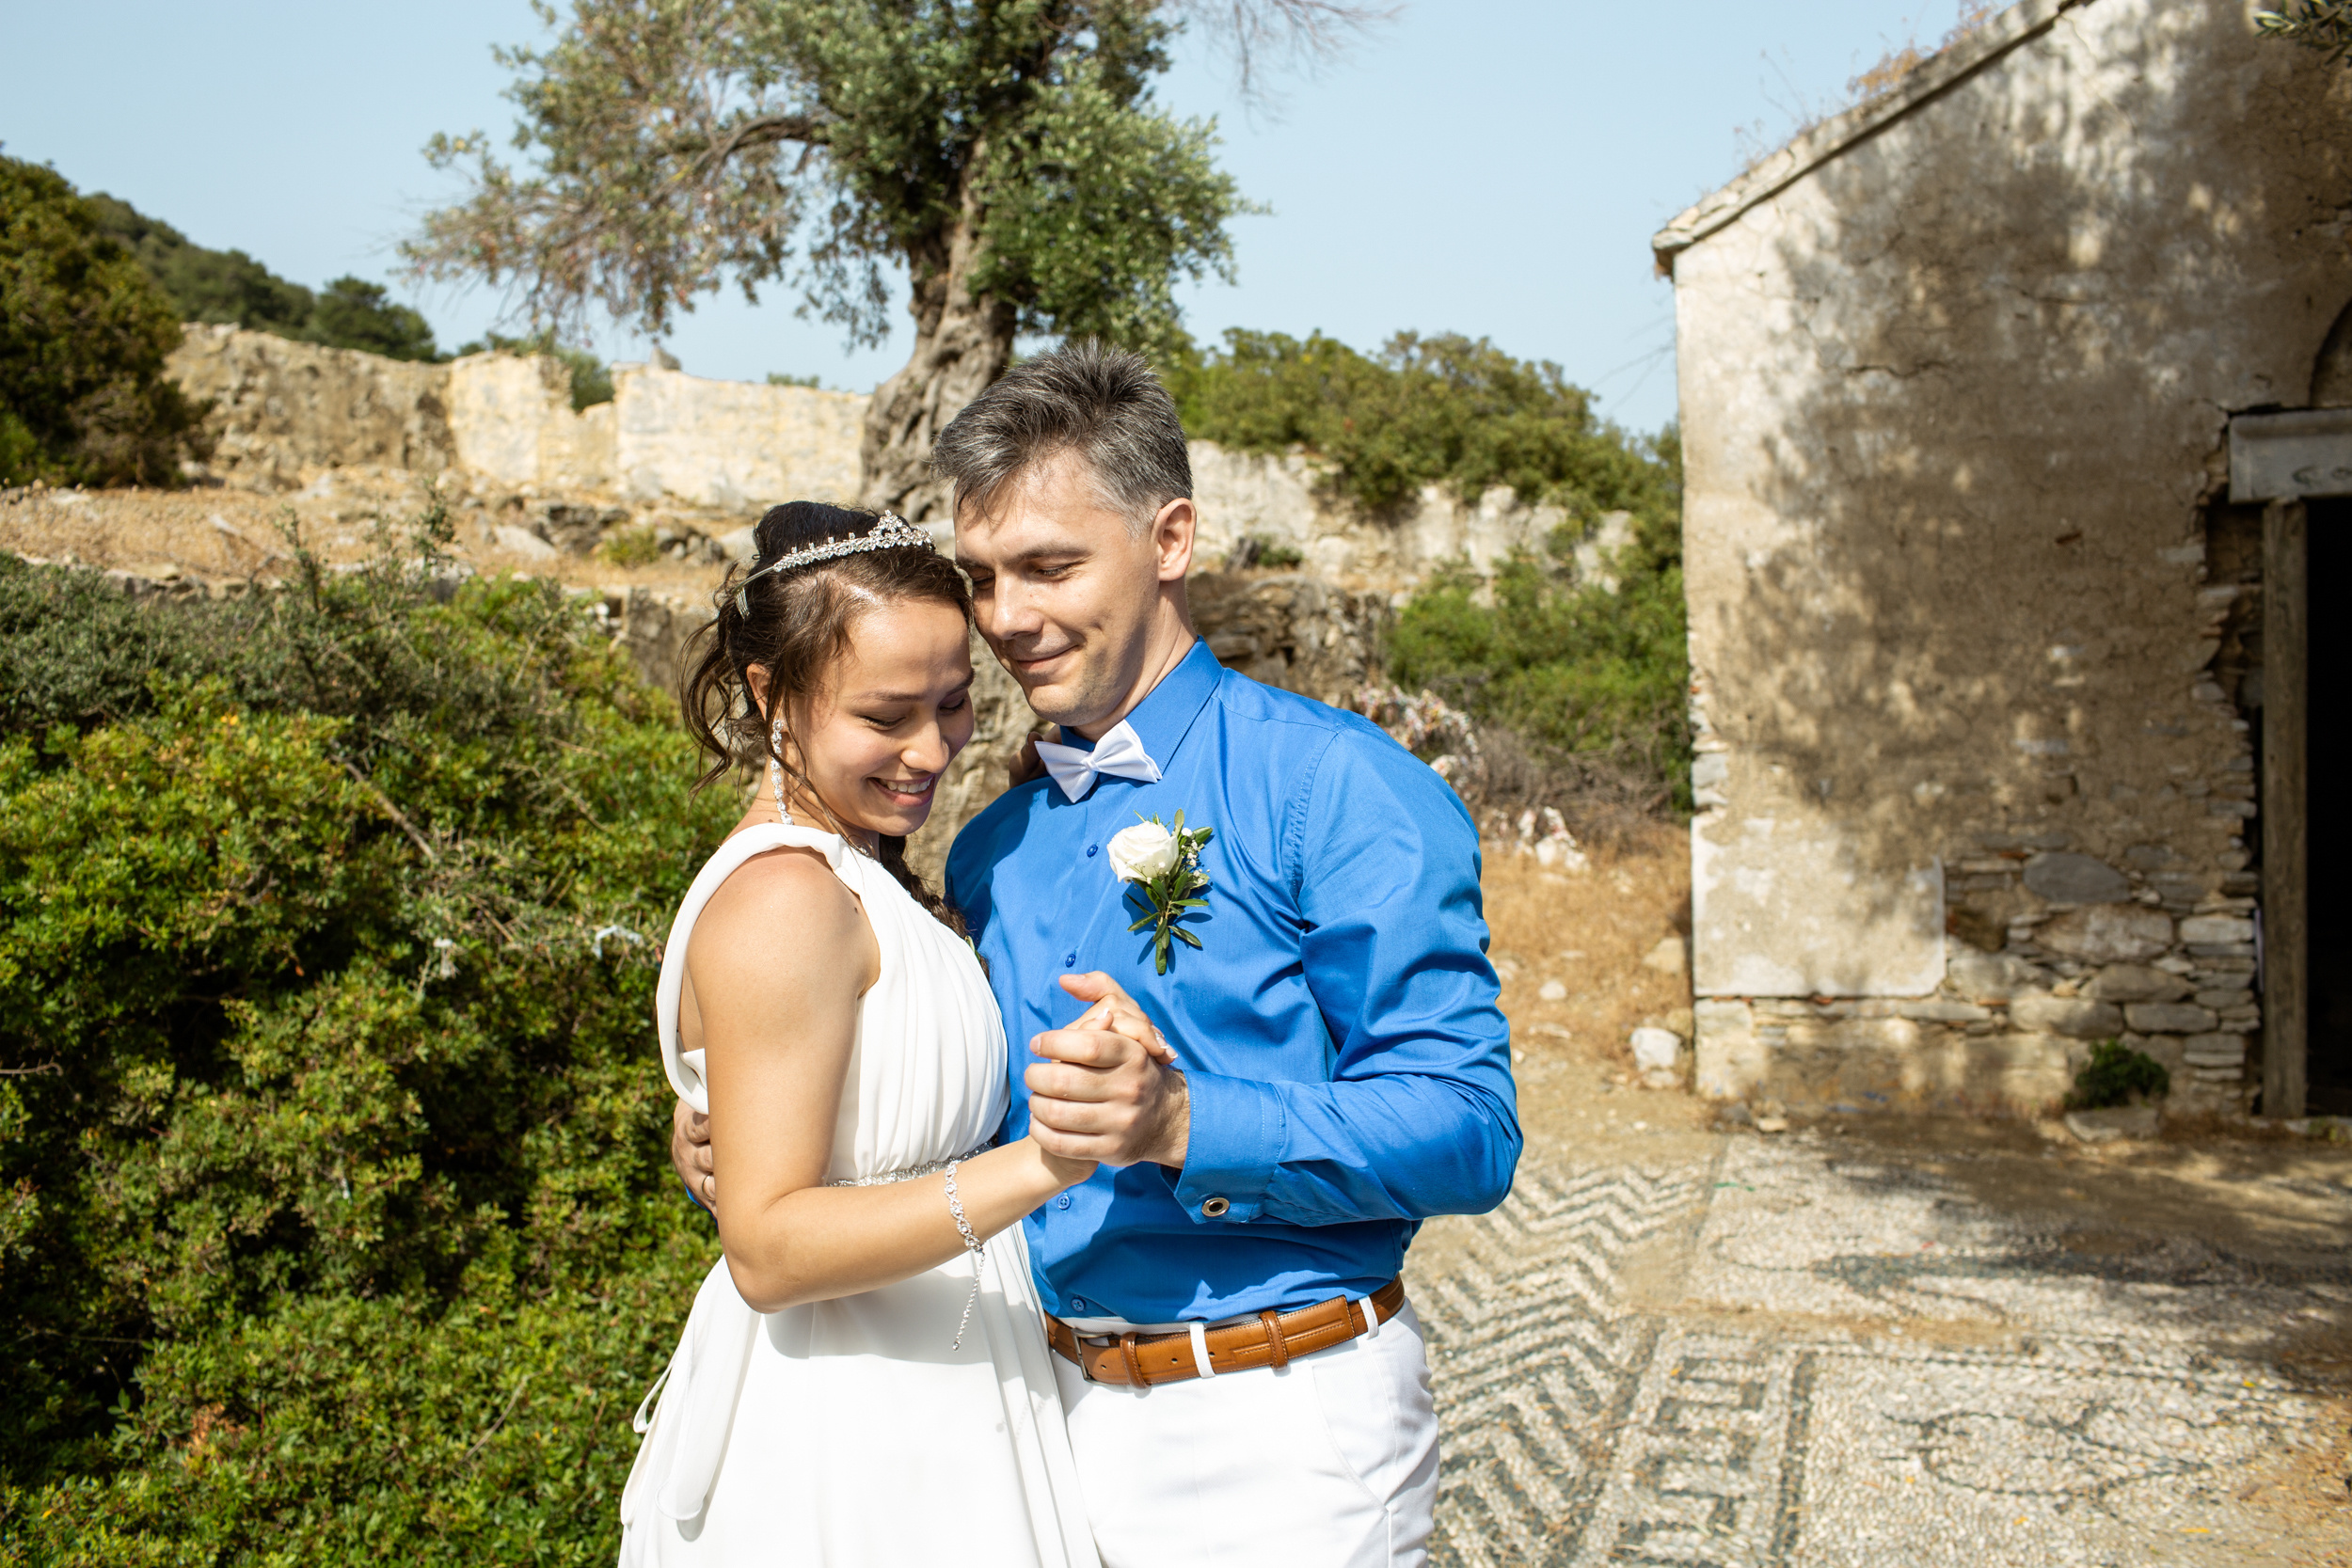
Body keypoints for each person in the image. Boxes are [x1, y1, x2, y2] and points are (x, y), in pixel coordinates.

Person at [675, 343, 1521, 1567]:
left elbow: (1470, 1128)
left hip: (1276, 1420)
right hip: (1024, 1423)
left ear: (1170, 537)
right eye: (984, 576)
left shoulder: (1340, 786)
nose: (1009, 617)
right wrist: (726, 1117)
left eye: (1051, 565)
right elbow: (932, 1085)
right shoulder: (989, 844)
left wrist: (1184, 1118)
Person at [619, 501, 1103, 1567]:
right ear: (768, 692)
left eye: (954, 702)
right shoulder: (786, 898)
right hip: (845, 1426)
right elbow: (769, 1247)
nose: (931, 749)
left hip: (947, 1380)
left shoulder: (859, 870)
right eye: (887, 715)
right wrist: (1047, 1161)